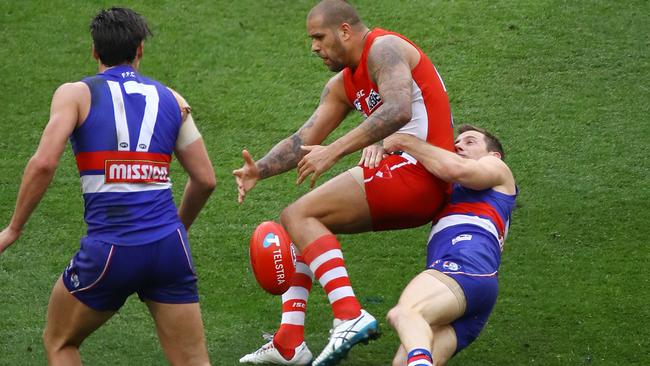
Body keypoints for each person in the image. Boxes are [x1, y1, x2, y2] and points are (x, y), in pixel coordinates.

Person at [234, 1, 454, 365]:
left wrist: (334, 151)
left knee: (299, 214)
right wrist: (260, 169)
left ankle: (350, 314)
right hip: (405, 174)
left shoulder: (384, 48)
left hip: (422, 171)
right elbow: (304, 137)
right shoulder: (343, 83)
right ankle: (290, 342)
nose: (314, 47)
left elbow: (399, 108)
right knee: (300, 225)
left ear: (345, 31)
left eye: (319, 37)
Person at [0, 7, 215, 366]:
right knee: (194, 360)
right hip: (170, 248)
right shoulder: (175, 100)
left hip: (111, 248)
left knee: (59, 341)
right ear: (140, 49)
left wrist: (13, 229)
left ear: (95, 51)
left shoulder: (75, 94)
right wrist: (174, 231)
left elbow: (44, 163)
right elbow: (206, 179)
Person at [382, 125, 517, 366]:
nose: (459, 145)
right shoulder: (452, 190)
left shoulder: (497, 168)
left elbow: (454, 168)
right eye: (457, 141)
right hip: (477, 286)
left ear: (493, 155)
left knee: (405, 312)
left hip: (464, 265)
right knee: (403, 362)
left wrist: (404, 140)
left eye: (470, 141)